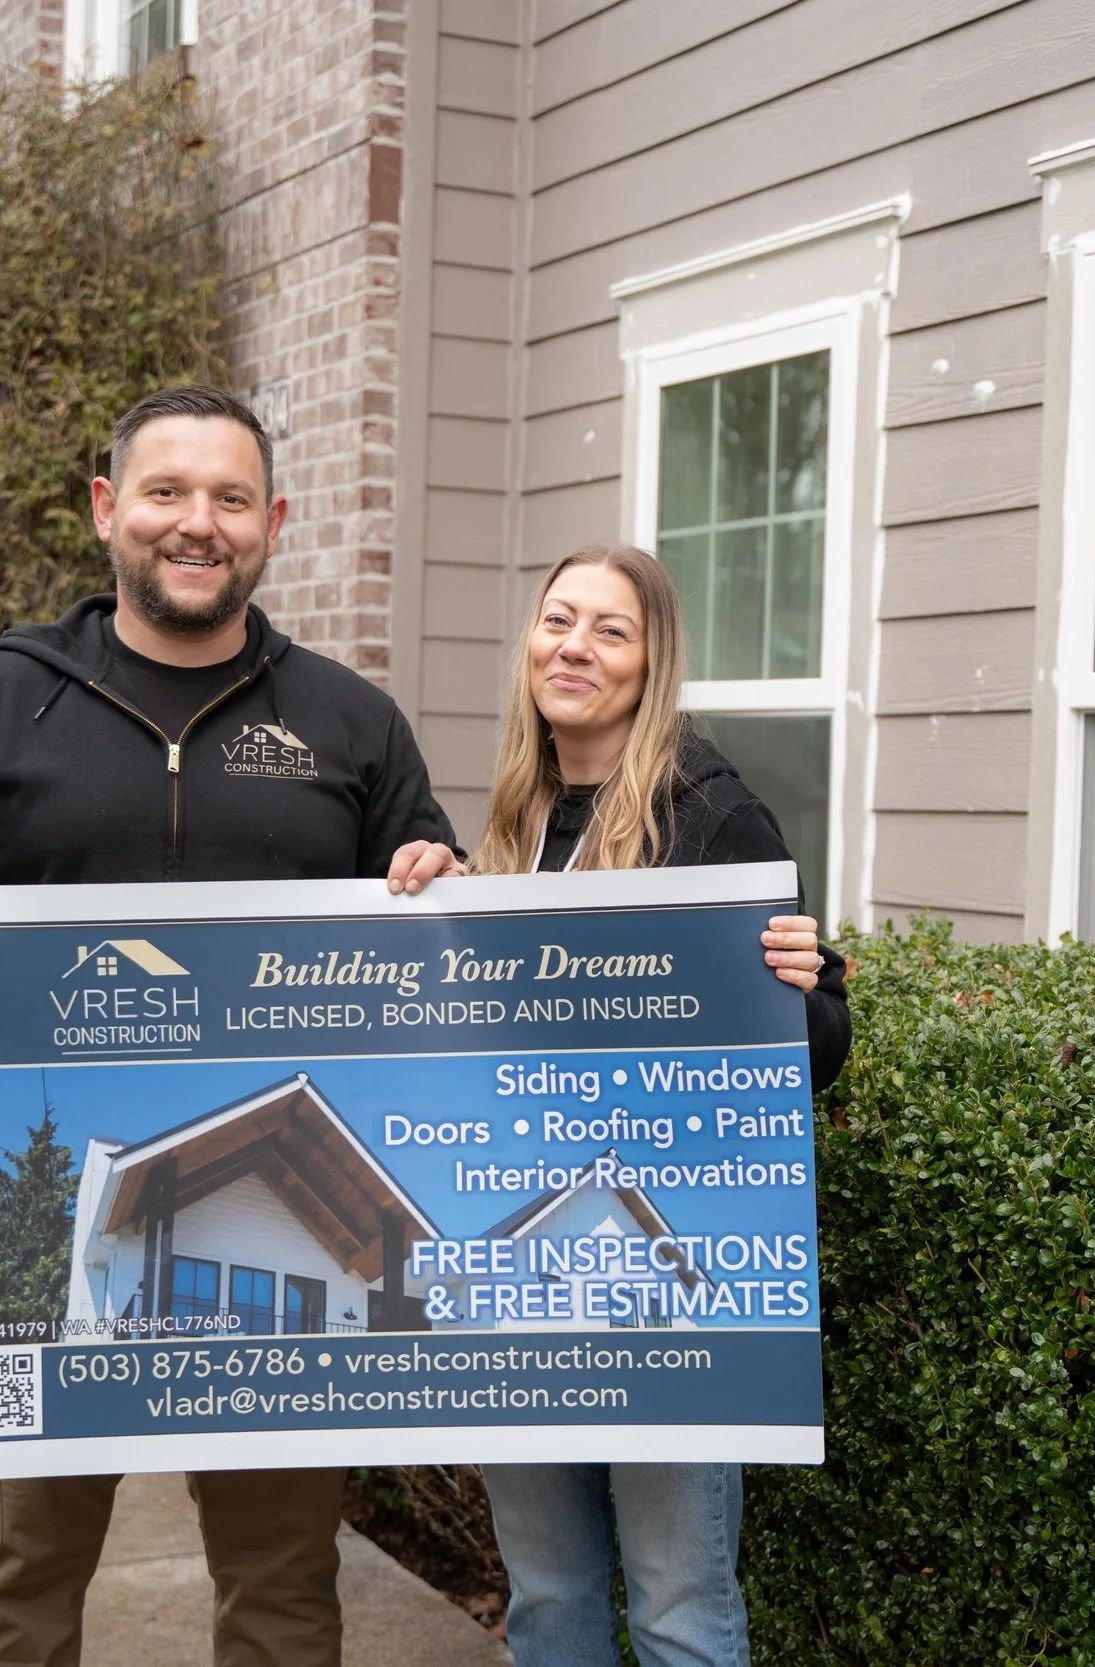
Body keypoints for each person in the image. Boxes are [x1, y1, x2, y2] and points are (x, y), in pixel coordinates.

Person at [0, 384, 463, 1667]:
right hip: (35, 1212)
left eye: (229, 498)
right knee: (19, 1584)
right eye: (167, 492)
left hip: (280, 1225)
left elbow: (422, 886)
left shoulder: (346, 720)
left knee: (283, 1590)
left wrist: (433, 885)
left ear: (272, 522)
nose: (197, 523)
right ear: (110, 510)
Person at [388, 544, 848, 1667]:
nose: (575, 647)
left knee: (681, 1605)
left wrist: (811, 980)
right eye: (558, 620)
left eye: (610, 629)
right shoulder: (514, 819)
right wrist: (421, 903)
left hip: (662, 1268)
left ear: (650, 665)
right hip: (517, 1264)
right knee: (547, 1597)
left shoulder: (715, 819)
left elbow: (811, 1051)